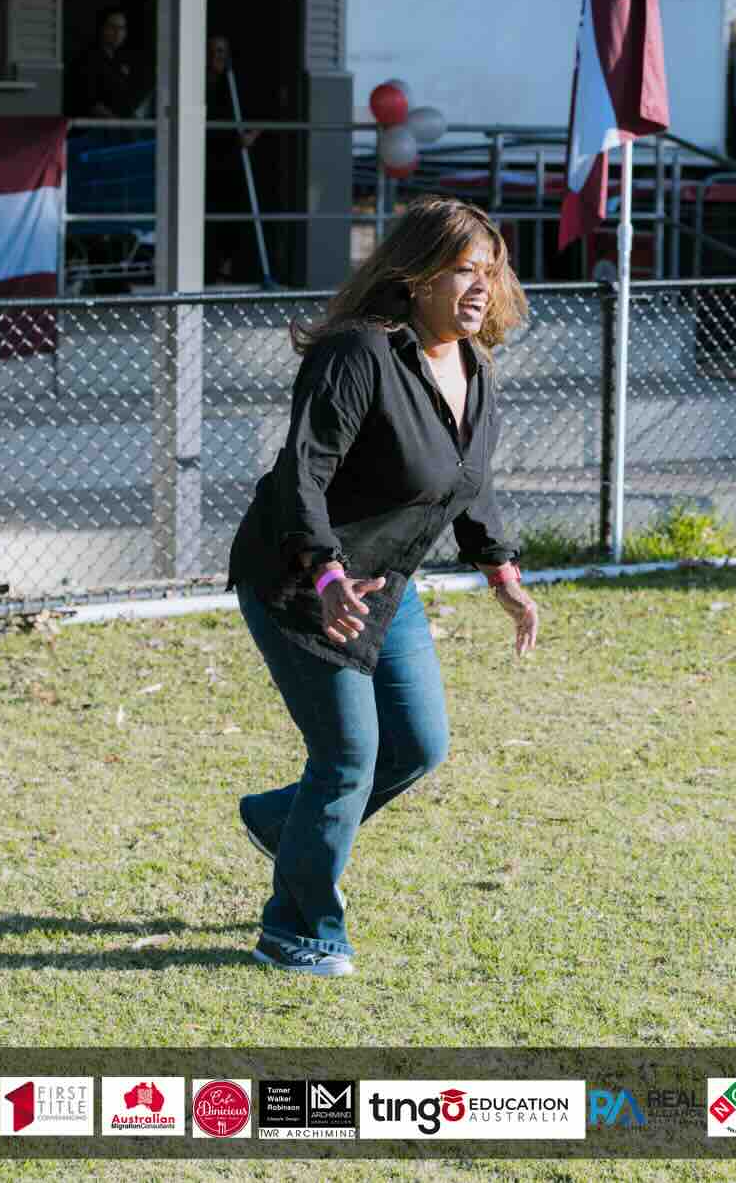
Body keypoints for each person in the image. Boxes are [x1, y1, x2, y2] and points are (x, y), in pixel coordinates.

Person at [226, 197, 541, 977]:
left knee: (418, 744)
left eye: (490, 271)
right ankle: (296, 929)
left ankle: (287, 822)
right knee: (347, 755)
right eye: (464, 270)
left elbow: (470, 480)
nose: (481, 288)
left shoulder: (474, 365)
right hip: (301, 579)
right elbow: (304, 473)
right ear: (415, 274)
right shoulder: (358, 354)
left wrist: (500, 567)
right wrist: (326, 570)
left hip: (385, 586)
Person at [205, 35, 262, 283]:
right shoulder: (198, 82)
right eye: (212, 51)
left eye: (221, 52)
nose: (216, 57)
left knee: (231, 216)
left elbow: (260, 116)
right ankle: (206, 268)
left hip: (231, 159)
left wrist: (251, 136)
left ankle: (225, 269)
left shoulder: (235, 84)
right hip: (204, 157)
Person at [65, 6, 147, 119]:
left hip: (124, 127)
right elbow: (89, 102)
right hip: (95, 130)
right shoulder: (87, 60)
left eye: (122, 28)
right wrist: (117, 124)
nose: (118, 33)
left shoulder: (123, 60)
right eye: (112, 27)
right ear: (102, 28)